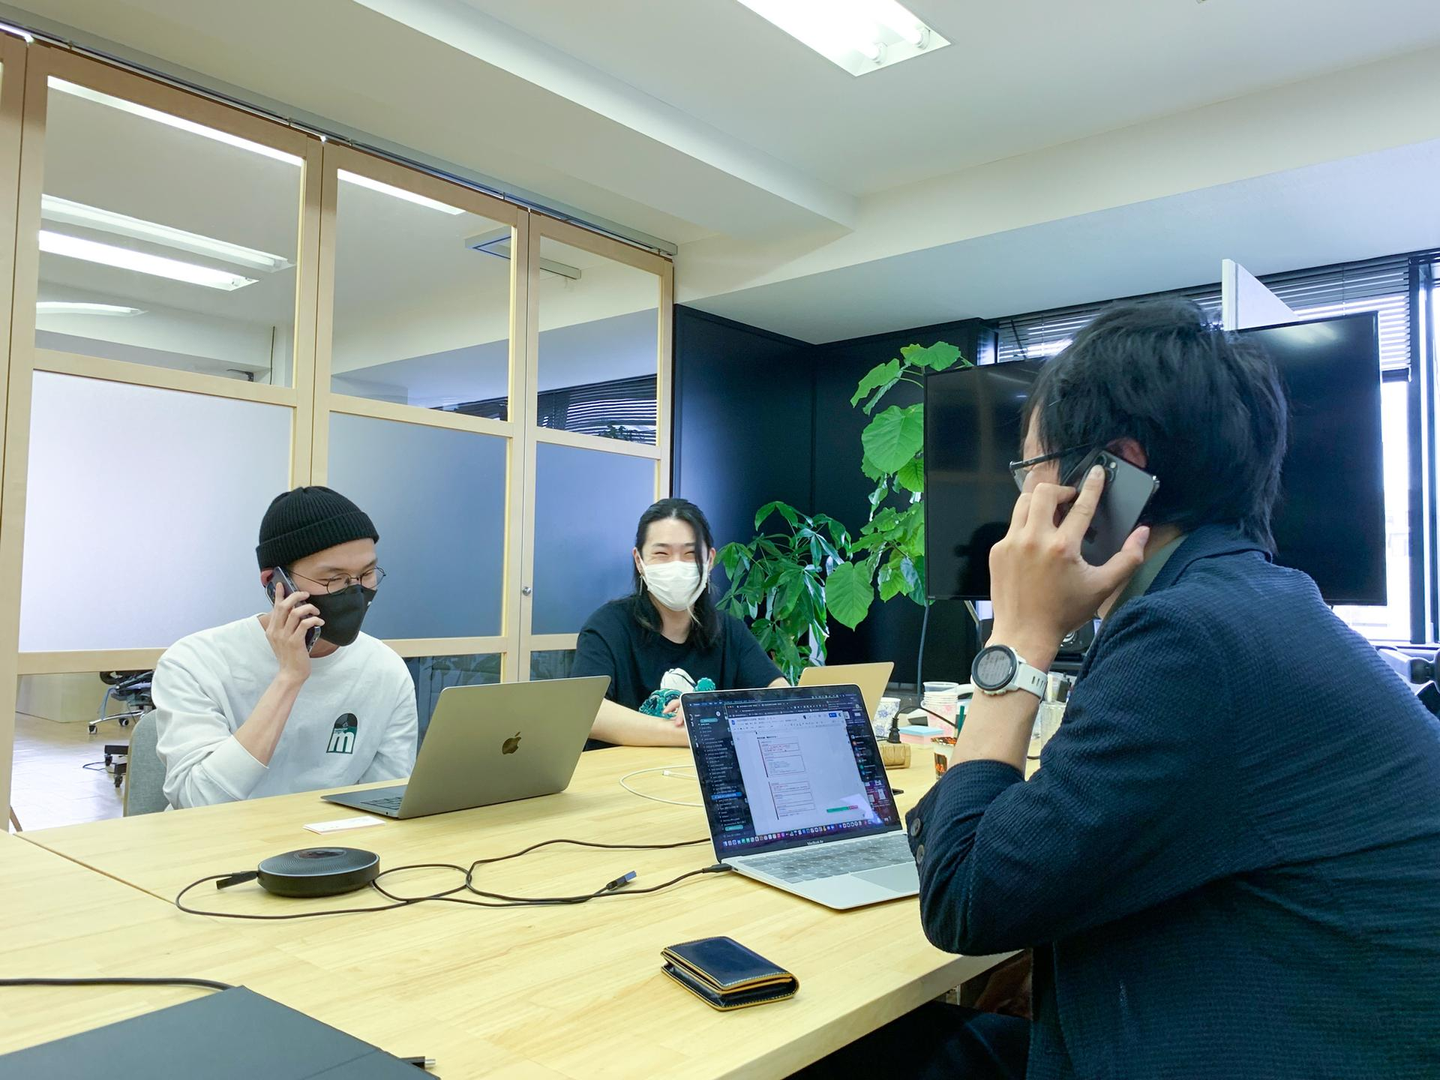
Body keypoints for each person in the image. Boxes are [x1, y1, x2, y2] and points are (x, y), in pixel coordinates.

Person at [809, 299, 1440, 1079]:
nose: (1018, 507)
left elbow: (966, 897)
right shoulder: (1255, 601)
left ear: (1106, 477)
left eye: (1029, 473)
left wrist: (1017, 638)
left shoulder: (1189, 639)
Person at [152, 486, 417, 808]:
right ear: (276, 583)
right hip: (220, 837)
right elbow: (198, 801)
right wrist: (289, 677)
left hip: (332, 837)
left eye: (367, 574)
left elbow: (386, 799)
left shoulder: (385, 668)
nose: (356, 591)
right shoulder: (195, 662)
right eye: (334, 579)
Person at [571, 498, 788, 747]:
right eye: (661, 554)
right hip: (629, 770)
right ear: (639, 561)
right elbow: (589, 713)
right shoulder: (608, 627)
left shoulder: (729, 631)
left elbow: (780, 696)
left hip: (702, 769)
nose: (676, 565)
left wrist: (718, 710)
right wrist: (695, 730)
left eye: (690, 554)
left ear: (710, 560)